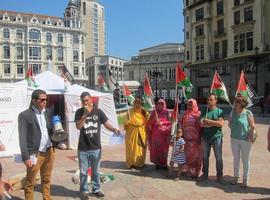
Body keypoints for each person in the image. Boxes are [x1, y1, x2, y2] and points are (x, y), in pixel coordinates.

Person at [75, 92, 120, 200]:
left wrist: (113, 129)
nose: (85, 103)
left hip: (96, 147)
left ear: (91, 99)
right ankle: (84, 191)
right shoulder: (79, 112)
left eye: (87, 100)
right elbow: (78, 126)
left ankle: (96, 190)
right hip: (83, 147)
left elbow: (106, 123)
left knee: (96, 171)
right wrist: (85, 114)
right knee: (83, 171)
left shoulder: (98, 111)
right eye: (83, 101)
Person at [18, 89, 55, 200]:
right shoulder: (25, 115)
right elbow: (22, 137)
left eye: (46, 99)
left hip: (49, 150)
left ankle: (47, 198)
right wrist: (26, 157)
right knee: (30, 182)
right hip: (35, 154)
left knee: (47, 179)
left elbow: (50, 130)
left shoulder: (47, 112)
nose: (45, 102)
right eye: (42, 100)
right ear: (34, 101)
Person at [198, 93, 226, 185]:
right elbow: (201, 124)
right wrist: (214, 123)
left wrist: (209, 122)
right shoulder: (204, 111)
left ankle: (220, 176)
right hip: (205, 138)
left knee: (218, 157)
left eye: (211, 100)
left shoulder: (220, 111)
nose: (209, 101)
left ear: (216, 101)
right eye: (208, 100)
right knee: (205, 157)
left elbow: (221, 124)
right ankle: (205, 174)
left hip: (217, 137)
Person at [228, 97, 255, 187]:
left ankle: (245, 179)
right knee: (236, 158)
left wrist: (250, 136)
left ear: (242, 103)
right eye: (235, 101)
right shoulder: (233, 112)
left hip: (245, 140)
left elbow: (252, 126)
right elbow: (229, 124)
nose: (235, 103)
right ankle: (236, 177)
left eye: (237, 102)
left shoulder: (248, 113)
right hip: (234, 139)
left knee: (245, 159)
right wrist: (230, 121)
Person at [180, 98, 202, 179]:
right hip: (186, 139)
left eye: (191, 105)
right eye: (188, 104)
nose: (189, 106)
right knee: (187, 155)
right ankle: (188, 170)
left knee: (196, 156)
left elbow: (201, 126)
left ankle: (196, 172)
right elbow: (182, 124)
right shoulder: (185, 114)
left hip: (195, 140)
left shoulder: (198, 114)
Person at [124, 98, 149, 169]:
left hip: (142, 133)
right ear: (134, 104)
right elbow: (125, 122)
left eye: (139, 103)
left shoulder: (144, 112)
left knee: (141, 149)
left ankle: (140, 163)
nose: (137, 105)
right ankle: (131, 163)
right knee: (131, 149)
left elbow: (148, 122)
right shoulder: (129, 112)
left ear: (141, 104)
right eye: (136, 103)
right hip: (131, 133)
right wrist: (128, 121)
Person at [147, 99, 172, 169]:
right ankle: (157, 164)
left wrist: (163, 123)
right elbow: (149, 123)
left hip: (164, 134)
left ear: (164, 105)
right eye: (158, 104)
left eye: (161, 104)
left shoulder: (167, 112)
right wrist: (154, 119)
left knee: (164, 149)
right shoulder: (153, 112)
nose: (159, 105)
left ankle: (164, 163)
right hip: (155, 134)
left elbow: (170, 121)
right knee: (156, 149)